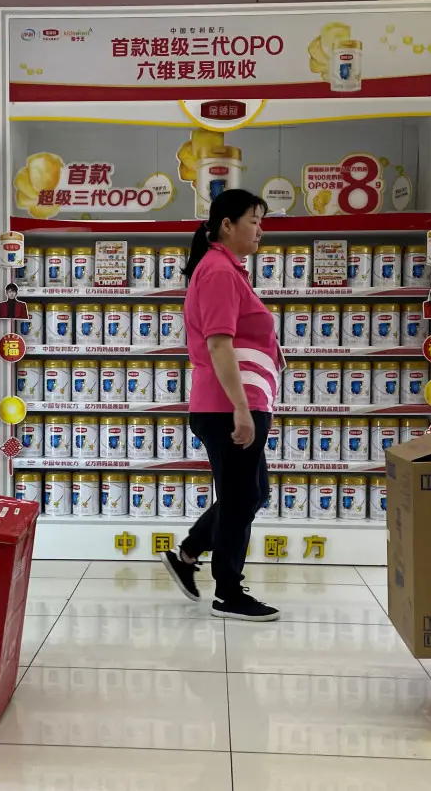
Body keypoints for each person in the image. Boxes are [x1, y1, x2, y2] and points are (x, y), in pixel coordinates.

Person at [159, 188, 282, 621]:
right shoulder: (218, 273)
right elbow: (219, 344)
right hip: (228, 405)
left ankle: (189, 553)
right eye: (254, 220)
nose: (260, 230)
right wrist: (242, 409)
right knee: (239, 497)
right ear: (226, 225)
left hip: (235, 402)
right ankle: (229, 590)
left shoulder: (227, 270)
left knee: (251, 493)